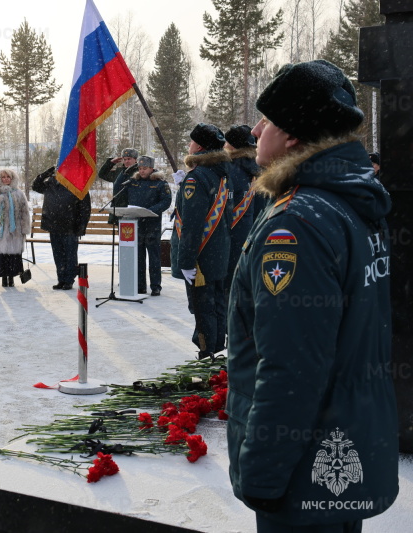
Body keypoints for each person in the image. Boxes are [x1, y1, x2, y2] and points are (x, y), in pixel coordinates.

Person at [226, 59, 398, 533]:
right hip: (344, 447)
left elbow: (291, 367)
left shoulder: (297, 222)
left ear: (295, 136)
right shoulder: (349, 203)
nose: (257, 128)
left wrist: (262, 474)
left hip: (303, 468)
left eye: (270, 120)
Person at [170, 123, 232, 358]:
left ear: (199, 146)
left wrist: (185, 260)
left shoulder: (196, 178)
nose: (189, 145)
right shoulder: (221, 173)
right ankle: (216, 348)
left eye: (191, 141)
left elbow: (192, 225)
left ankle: (207, 355)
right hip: (219, 252)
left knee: (202, 308)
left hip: (201, 257)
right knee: (216, 305)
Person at [113, 156, 172, 295]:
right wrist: (124, 171)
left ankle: (156, 286)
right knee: (138, 257)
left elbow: (166, 201)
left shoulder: (160, 183)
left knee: (154, 258)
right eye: (139, 168)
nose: (142, 171)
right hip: (136, 225)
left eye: (145, 168)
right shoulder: (134, 181)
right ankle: (140, 286)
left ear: (151, 168)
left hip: (152, 225)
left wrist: (152, 210)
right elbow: (118, 189)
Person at [31, 165, 91, 290]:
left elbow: (85, 208)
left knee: (70, 255)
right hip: (54, 225)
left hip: (70, 226)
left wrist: (81, 226)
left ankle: (69, 280)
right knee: (58, 254)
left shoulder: (77, 184)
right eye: (58, 169)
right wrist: (45, 174)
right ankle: (61, 279)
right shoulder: (50, 183)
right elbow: (35, 186)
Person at [223, 125, 261, 294]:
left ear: (232, 145)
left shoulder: (231, 169)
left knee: (229, 288)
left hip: (234, 236)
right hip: (256, 234)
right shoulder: (262, 168)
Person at [0, 168, 31, 287]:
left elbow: (24, 212)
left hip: (15, 231)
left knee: (14, 256)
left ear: (12, 178)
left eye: (8, 177)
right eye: (3, 177)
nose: (6, 179)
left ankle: (12, 278)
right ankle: (4, 278)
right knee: (1, 256)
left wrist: (25, 228)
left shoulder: (19, 193)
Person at [97, 147, 139, 223]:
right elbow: (102, 174)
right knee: (121, 233)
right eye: (124, 159)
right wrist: (110, 163)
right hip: (118, 208)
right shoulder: (119, 171)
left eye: (129, 159)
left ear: (135, 159)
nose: (126, 161)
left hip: (132, 208)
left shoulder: (139, 172)